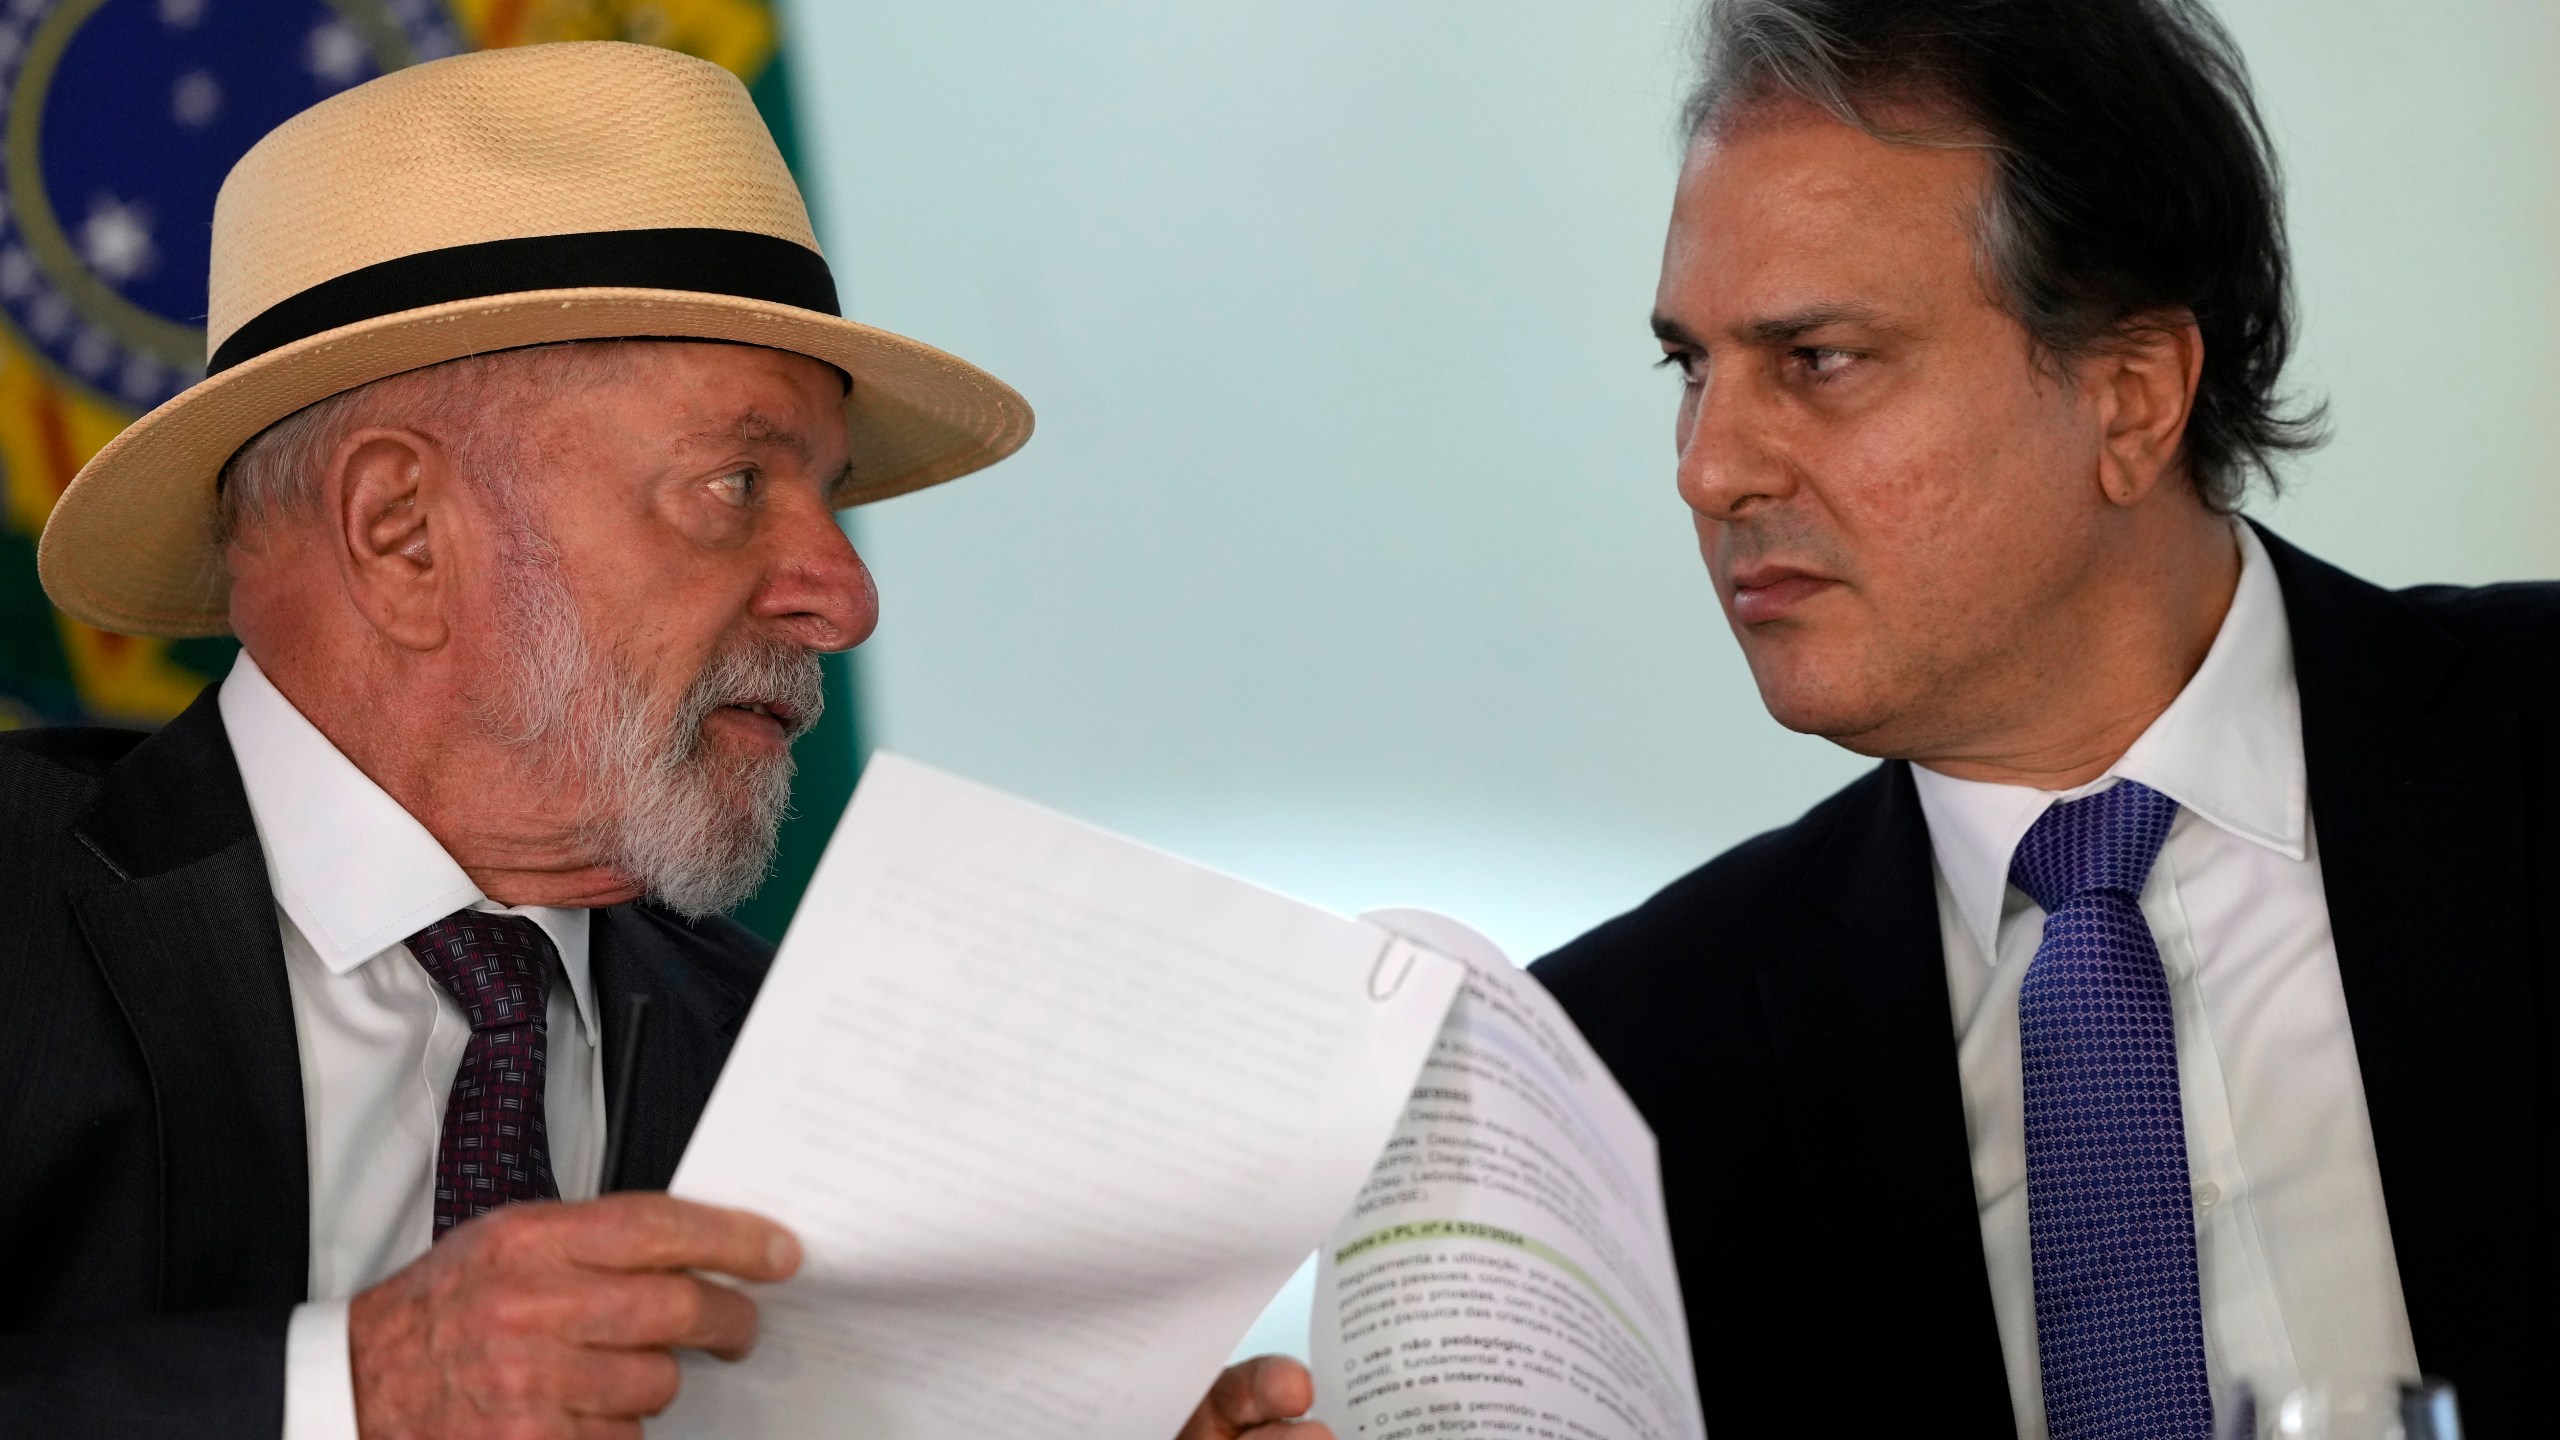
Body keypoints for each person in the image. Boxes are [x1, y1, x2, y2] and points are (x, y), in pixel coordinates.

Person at [1, 42, 1328, 1440]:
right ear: (400, 530)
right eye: (737, 482)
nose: (847, 596)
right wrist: (356, 1391)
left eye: (831, 498)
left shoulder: (794, 1062)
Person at [1531, 1, 2554, 1436]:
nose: (1711, 470)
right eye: (1691, 369)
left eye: (1815, 360)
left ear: (2132, 399)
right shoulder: (1614, 1074)